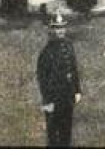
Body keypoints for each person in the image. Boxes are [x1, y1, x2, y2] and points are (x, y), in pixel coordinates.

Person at [36, 12, 82, 148]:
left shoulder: (68, 45)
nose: (60, 31)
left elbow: (73, 69)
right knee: (53, 135)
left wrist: (77, 90)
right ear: (52, 30)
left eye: (62, 28)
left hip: (67, 96)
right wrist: (47, 102)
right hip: (54, 99)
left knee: (66, 130)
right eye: (57, 28)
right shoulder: (46, 52)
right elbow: (42, 79)